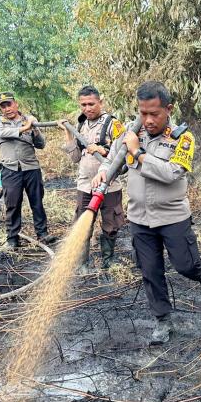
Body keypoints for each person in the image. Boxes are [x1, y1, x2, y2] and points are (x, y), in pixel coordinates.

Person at [92, 81, 201, 345]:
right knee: (150, 271)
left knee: (185, 265)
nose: (147, 120)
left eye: (154, 114)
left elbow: (172, 173)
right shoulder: (130, 133)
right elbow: (114, 159)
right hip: (139, 218)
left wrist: (138, 152)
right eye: (142, 113)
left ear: (168, 109)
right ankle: (163, 321)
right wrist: (104, 169)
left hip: (172, 216)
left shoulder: (182, 137)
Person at [59, 85, 125, 271]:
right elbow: (75, 158)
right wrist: (68, 133)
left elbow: (122, 156)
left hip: (109, 185)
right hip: (85, 185)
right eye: (83, 105)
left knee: (111, 224)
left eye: (91, 104)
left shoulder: (113, 124)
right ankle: (83, 263)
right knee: (83, 224)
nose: (87, 108)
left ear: (100, 102)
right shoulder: (80, 125)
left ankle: (108, 261)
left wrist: (102, 150)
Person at [0, 91, 57, 250]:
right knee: (12, 204)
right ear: (0, 108)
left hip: (31, 168)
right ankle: (12, 239)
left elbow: (41, 144)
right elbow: (2, 133)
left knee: (37, 202)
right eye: (3, 106)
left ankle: (43, 234)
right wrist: (26, 126)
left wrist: (34, 129)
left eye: (9, 104)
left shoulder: (29, 120)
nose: (7, 109)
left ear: (16, 104)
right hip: (10, 169)